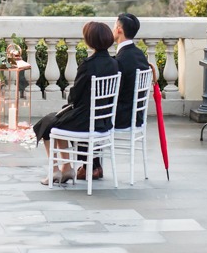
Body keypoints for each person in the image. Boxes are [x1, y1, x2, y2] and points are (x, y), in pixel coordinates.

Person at [33, 21, 117, 185]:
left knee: (48, 123)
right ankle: (67, 169)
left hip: (85, 120)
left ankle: (56, 170)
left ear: (89, 40)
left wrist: (69, 104)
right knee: (54, 121)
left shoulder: (88, 65)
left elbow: (75, 96)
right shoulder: (114, 63)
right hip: (103, 120)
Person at [83, 12, 151, 180]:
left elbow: (109, 94)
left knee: (86, 117)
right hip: (136, 115)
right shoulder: (139, 55)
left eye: (114, 27)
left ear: (119, 30)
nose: (112, 30)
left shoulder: (120, 60)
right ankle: (93, 166)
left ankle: (91, 166)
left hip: (121, 116)